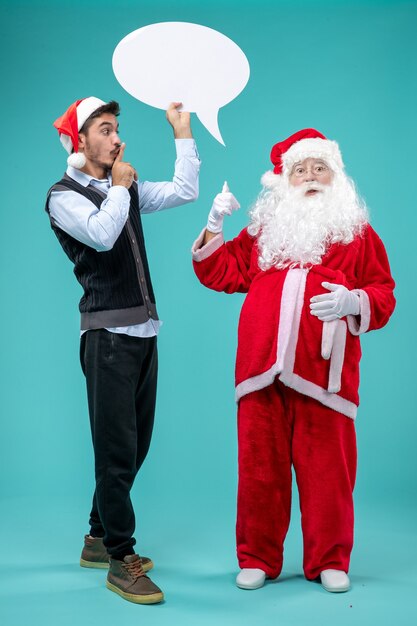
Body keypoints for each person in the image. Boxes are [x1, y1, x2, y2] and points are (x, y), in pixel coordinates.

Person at [192, 129, 395, 593]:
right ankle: (258, 558)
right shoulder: (265, 232)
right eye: (299, 169)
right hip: (260, 368)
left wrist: (354, 300)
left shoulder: (358, 233)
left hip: (325, 373)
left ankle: (330, 559)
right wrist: (214, 225)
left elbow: (385, 293)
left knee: (328, 471)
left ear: (336, 177)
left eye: (318, 168)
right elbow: (220, 271)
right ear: (284, 180)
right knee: (259, 470)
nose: (309, 177)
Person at [46, 96, 200, 604]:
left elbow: (185, 190)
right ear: (79, 142)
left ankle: (96, 537)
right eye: (106, 130)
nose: (118, 139)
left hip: (144, 331)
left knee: (133, 449)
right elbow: (103, 236)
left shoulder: (124, 188)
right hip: (107, 338)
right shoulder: (62, 196)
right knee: (115, 453)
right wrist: (118, 189)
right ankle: (120, 558)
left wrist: (182, 131)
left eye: (117, 130)